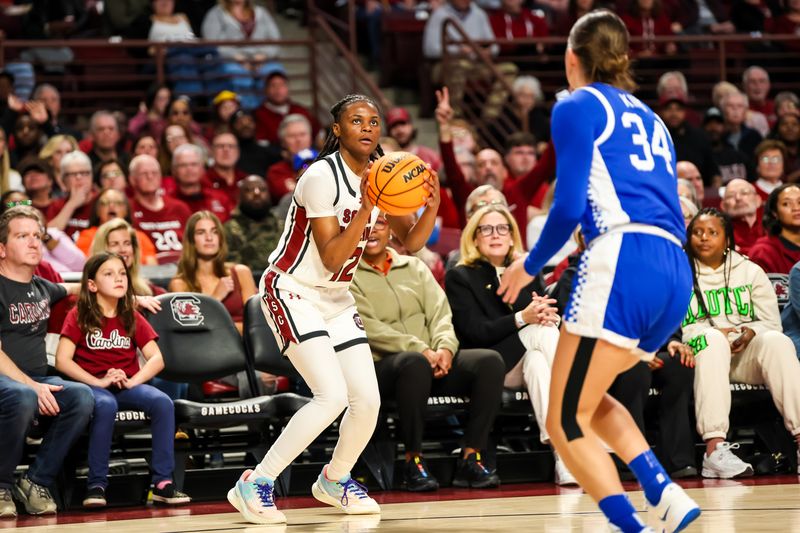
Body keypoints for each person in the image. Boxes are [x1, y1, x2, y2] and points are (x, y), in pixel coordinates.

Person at [497, 11, 699, 533]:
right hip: (675, 268)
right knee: (589, 397)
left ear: (571, 57)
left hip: (623, 258)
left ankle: (627, 526)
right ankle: (665, 494)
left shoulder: (575, 104)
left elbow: (565, 207)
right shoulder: (651, 116)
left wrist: (528, 264)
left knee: (564, 419)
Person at [226, 94, 439, 524]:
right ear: (337, 129)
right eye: (356, 121)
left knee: (368, 400)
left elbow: (413, 243)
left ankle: (334, 479)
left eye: (374, 121)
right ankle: (256, 483)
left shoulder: (382, 175)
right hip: (292, 289)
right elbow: (330, 257)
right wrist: (366, 207)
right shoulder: (321, 176)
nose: (367, 128)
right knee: (330, 396)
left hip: (337, 298)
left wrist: (429, 206)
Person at [353, 214, 506, 491]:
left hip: (430, 361)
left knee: (488, 362)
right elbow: (369, 328)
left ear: (391, 231)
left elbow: (440, 313)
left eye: (380, 223)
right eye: (366, 223)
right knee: (413, 363)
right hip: (383, 369)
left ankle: (471, 458)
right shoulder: (348, 275)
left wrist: (445, 348)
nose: (373, 230)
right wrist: (421, 349)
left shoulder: (415, 267)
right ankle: (413, 461)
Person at [445, 205, 576, 485]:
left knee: (539, 365)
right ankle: (580, 410)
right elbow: (474, 332)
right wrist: (522, 317)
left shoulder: (526, 271)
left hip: (526, 360)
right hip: (489, 364)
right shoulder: (461, 275)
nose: (496, 235)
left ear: (512, 235)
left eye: (502, 228)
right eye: (487, 229)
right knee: (541, 331)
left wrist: (542, 313)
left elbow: (540, 314)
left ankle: (562, 458)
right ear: (475, 237)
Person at [54, 252, 190, 507]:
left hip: (125, 385)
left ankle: (162, 483)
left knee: (162, 402)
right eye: (108, 274)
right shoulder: (79, 314)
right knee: (106, 405)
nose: (118, 278)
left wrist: (132, 381)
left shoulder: (130, 315)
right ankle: (96, 485)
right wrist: (99, 382)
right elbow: (63, 360)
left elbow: (157, 359)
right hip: (91, 386)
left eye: (122, 273)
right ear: (92, 285)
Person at [683, 208, 800, 478]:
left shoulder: (749, 271)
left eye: (713, 232)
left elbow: (772, 323)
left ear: (727, 239)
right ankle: (715, 449)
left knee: (777, 342)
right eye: (698, 232)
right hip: (699, 355)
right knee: (712, 338)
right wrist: (711, 333)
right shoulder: (677, 272)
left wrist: (750, 331)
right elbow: (673, 326)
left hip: (744, 355)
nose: (704, 238)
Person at [0, 205, 94, 517]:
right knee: (24, 396)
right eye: (22, 236)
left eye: (37, 236)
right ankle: (1, 487)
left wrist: (133, 296)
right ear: (2, 248)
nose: (33, 242)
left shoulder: (41, 287)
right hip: (10, 381)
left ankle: (35, 481)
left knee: (81, 396)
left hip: (35, 380)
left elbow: (82, 289)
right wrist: (32, 386)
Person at [169, 211, 256, 334]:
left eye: (214, 232)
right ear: (191, 240)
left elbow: (254, 325)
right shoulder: (180, 283)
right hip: (205, 349)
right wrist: (216, 298)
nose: (209, 238)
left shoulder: (241, 273)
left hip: (244, 347)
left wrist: (215, 328)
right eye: (201, 232)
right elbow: (192, 330)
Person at [128, 154, 192, 264]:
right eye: (144, 173)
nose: (150, 177)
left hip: (184, 268)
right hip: (147, 271)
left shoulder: (179, 208)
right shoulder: (128, 210)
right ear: (132, 179)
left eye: (154, 173)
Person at [75, 188, 157, 263]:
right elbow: (86, 265)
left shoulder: (139, 236)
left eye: (118, 203)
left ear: (126, 210)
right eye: (105, 203)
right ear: (97, 210)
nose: (111, 206)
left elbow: (152, 267)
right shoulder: (86, 236)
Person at [223, 175, 282, 274]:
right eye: (249, 190)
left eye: (262, 189)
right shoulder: (228, 230)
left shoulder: (282, 227)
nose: (257, 193)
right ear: (239, 196)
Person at [254, 70, 318, 145]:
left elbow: (317, 134)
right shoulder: (258, 115)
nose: (278, 90)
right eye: (273, 85)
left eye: (281, 85)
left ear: (288, 88)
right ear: (266, 90)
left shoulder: (300, 111)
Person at [170, 144, 233, 222]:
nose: (189, 169)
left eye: (194, 164)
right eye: (183, 165)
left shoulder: (220, 199)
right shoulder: (167, 203)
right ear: (174, 170)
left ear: (202, 168)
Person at [748, 184, 800, 274]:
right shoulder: (763, 253)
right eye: (786, 204)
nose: (796, 208)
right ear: (774, 212)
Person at [45, 150, 97, 241]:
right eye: (72, 174)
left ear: (91, 176)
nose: (79, 177)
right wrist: (72, 204)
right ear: (63, 180)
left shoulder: (101, 201)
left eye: (84, 173)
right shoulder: (56, 205)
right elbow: (48, 236)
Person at [265, 114, 313, 203]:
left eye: (303, 134)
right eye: (292, 136)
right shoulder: (276, 172)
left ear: (310, 138)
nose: (298, 140)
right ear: (283, 142)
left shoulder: (326, 163)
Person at [719, 178, 763, 255]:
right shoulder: (720, 235)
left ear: (758, 200)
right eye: (730, 196)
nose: (738, 198)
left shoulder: (772, 230)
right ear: (723, 206)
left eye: (744, 193)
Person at [205, 132, 247, 206]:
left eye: (231, 146)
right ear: (212, 151)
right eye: (220, 146)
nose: (226, 150)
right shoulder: (203, 181)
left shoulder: (246, 180)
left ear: (238, 152)